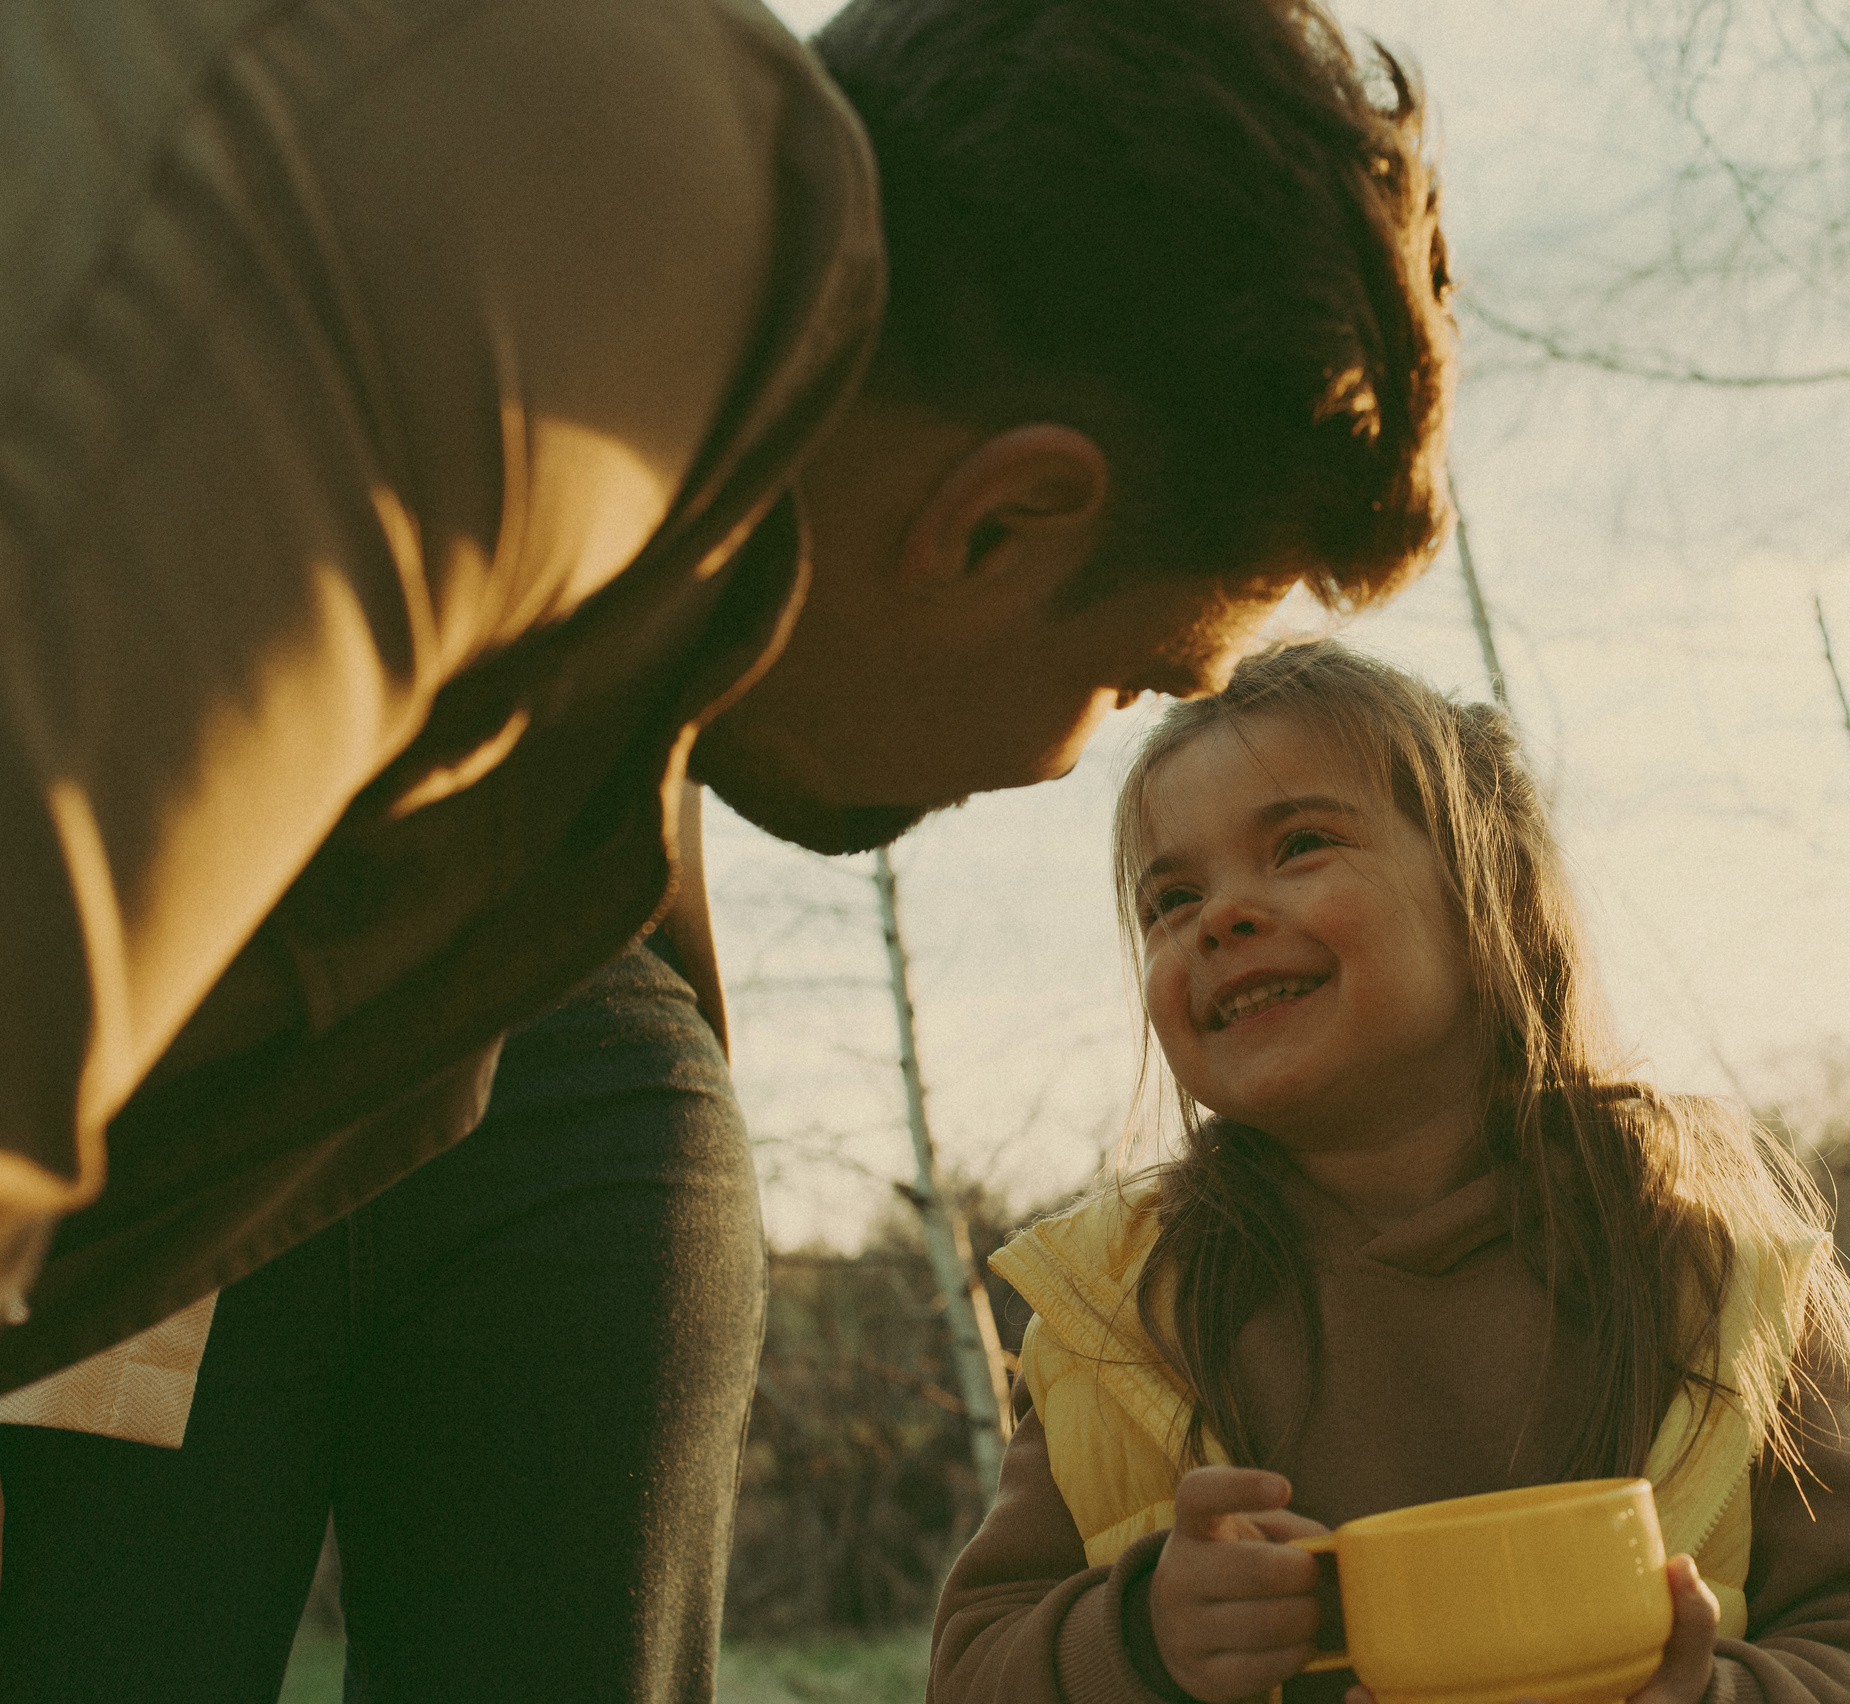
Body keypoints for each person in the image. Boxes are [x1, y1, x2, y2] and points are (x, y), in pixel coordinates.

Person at [0, 0, 1452, 1694]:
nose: (1070, 760)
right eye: (1127, 678)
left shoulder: (630, 370)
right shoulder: (454, 346)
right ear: (995, 518)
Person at [933, 642, 1850, 1704]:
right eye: (1170, 900)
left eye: (1298, 844)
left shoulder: (1718, 1276)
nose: (1219, 917)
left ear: (1495, 899)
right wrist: (1141, 1635)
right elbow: (971, 1673)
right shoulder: (1116, 1319)